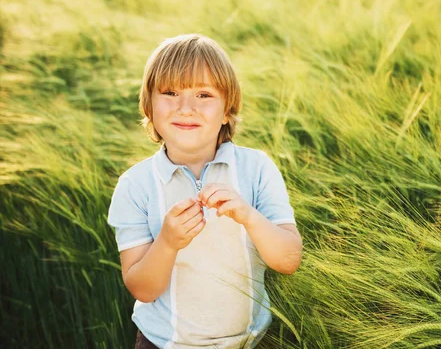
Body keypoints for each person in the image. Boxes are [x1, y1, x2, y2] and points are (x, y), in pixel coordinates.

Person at [107, 33, 303, 349]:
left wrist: (250, 217)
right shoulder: (135, 185)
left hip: (252, 341)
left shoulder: (256, 168)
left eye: (204, 95)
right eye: (170, 92)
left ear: (227, 111)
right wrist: (168, 243)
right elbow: (142, 288)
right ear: (149, 106)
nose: (186, 108)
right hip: (164, 343)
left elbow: (289, 259)